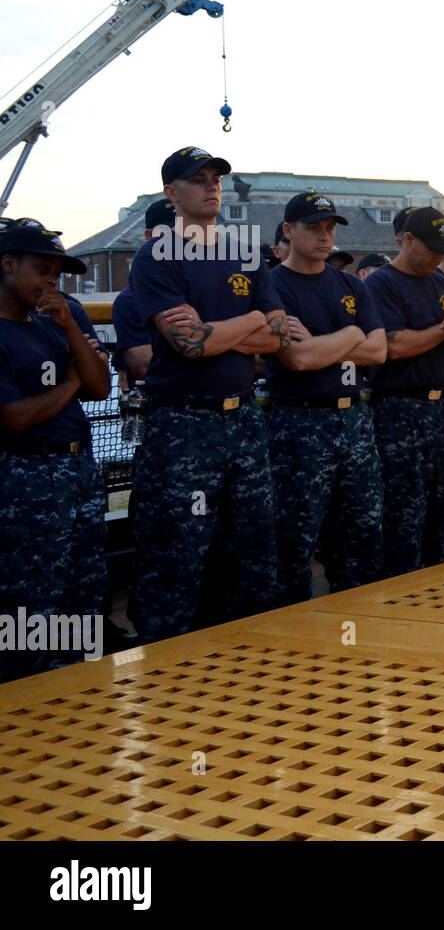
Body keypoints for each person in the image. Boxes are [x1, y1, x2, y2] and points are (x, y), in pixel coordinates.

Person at [126, 146, 286, 642]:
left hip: (243, 420)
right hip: (184, 428)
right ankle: (164, 676)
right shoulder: (155, 258)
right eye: (197, 179)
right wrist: (253, 320)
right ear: (171, 193)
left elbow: (280, 337)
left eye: (215, 176)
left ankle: (249, 663)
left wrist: (226, 331)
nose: (211, 185)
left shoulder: (245, 251)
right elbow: (188, 345)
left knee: (252, 550)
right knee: (178, 554)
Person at [0, 220, 110, 680]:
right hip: (26, 476)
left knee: (82, 594)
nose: (52, 282)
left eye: (58, 274)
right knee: (30, 605)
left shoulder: (55, 320)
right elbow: (15, 417)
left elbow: (101, 386)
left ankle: (77, 691)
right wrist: (70, 382)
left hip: (78, 467)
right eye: (42, 270)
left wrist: (67, 325)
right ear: (7, 265)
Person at [266, 192, 387, 600]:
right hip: (300, 424)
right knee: (295, 535)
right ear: (288, 230)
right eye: (314, 227)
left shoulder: (351, 284)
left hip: (354, 419)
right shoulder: (272, 287)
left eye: (330, 228)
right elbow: (297, 359)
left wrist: (328, 344)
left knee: (362, 530)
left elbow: (379, 351)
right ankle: (294, 631)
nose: (324, 236)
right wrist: (353, 335)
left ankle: (359, 619)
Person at [366, 208, 444, 571]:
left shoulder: (441, 282)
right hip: (401, 410)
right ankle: (402, 591)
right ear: (408, 240)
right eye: (431, 247)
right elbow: (394, 346)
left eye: (443, 248)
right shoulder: (381, 284)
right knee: (405, 511)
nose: (438, 256)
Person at [113, 198, 175, 391]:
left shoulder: (207, 284)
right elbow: (145, 366)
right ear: (149, 235)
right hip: (161, 406)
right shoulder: (130, 300)